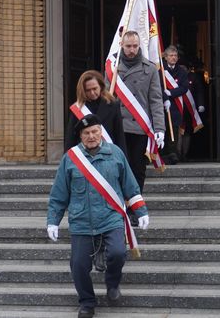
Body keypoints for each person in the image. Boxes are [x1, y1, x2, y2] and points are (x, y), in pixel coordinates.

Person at [47, 114, 149, 318]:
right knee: (78, 265)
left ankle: (112, 283)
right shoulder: (70, 158)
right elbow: (59, 194)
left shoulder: (116, 153)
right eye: (86, 133)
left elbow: (130, 184)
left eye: (95, 131)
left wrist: (141, 210)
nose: (91, 136)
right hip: (82, 220)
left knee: (118, 253)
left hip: (110, 217)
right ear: (80, 136)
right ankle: (86, 302)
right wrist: (53, 221)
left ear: (101, 132)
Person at [115, 30, 165, 192]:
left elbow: (156, 100)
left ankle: (135, 207)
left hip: (140, 127)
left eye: (135, 46)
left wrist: (159, 128)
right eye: (128, 46)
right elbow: (107, 100)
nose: (132, 50)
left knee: (138, 169)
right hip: (119, 127)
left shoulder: (149, 69)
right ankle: (121, 206)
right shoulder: (113, 67)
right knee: (119, 168)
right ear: (122, 45)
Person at [65, 70, 126, 154]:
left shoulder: (113, 105)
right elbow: (71, 138)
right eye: (88, 90)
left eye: (94, 88)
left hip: (108, 154)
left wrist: (123, 158)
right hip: (85, 156)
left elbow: (119, 135)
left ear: (101, 86)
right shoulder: (78, 108)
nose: (92, 93)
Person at [159, 45, 189, 165]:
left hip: (175, 105)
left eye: (175, 56)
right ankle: (163, 154)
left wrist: (170, 92)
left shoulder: (181, 71)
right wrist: (165, 97)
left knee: (174, 129)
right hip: (162, 105)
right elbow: (158, 87)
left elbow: (184, 87)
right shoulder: (160, 71)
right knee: (164, 128)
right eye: (171, 55)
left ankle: (173, 153)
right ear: (165, 57)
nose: (173, 58)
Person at [178, 62, 206, 162]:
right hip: (177, 109)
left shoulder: (193, 77)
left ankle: (184, 155)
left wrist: (201, 104)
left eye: (184, 67)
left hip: (189, 110)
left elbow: (199, 91)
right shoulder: (173, 76)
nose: (182, 69)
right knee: (178, 132)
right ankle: (177, 154)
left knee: (187, 132)